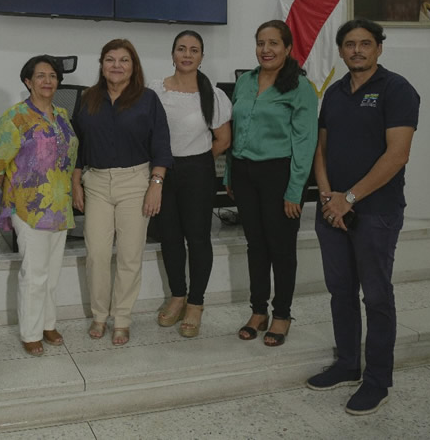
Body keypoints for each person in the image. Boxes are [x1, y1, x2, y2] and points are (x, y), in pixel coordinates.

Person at [305, 18, 419, 416]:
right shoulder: (334, 93)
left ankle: (377, 381)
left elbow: (397, 154)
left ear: (378, 49)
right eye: (349, 44)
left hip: (375, 212)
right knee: (340, 291)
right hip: (331, 210)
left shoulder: (397, 90)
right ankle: (348, 364)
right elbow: (321, 149)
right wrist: (326, 196)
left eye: (365, 44)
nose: (357, 50)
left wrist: (349, 198)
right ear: (340, 51)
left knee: (376, 296)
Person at [72, 39, 173, 346]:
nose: (116, 65)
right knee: (98, 255)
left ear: (134, 66)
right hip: (97, 183)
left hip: (136, 182)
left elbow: (161, 144)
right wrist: (76, 181)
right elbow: (78, 144)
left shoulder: (148, 99)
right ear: (102, 65)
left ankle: (123, 319)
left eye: (123, 60)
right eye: (110, 60)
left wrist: (156, 184)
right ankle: (100, 316)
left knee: (129, 255)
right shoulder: (88, 98)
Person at [227, 20, 318, 347]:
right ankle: (258, 311)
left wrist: (296, 190)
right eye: (261, 43)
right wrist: (229, 174)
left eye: (273, 44)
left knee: (281, 248)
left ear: (288, 48)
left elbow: (306, 143)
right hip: (244, 173)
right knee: (256, 246)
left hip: (279, 175)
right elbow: (236, 129)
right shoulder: (246, 81)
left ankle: (282, 314)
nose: (266, 50)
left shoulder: (300, 87)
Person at [0, 56, 78, 356]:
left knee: (51, 274)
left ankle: (48, 324)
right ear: (28, 81)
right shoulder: (16, 117)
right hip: (30, 210)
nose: (48, 81)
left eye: (53, 76)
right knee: (34, 274)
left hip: (60, 206)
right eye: (40, 76)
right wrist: (18, 191)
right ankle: (30, 332)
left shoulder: (62, 115)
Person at [149, 30, 231, 337]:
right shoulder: (155, 90)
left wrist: (194, 161)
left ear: (201, 57)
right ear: (172, 54)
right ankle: (177, 296)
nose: (187, 54)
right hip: (162, 170)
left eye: (194, 50)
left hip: (197, 170)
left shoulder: (213, 94)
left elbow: (223, 139)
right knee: (169, 236)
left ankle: (196, 303)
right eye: (181, 49)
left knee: (198, 239)